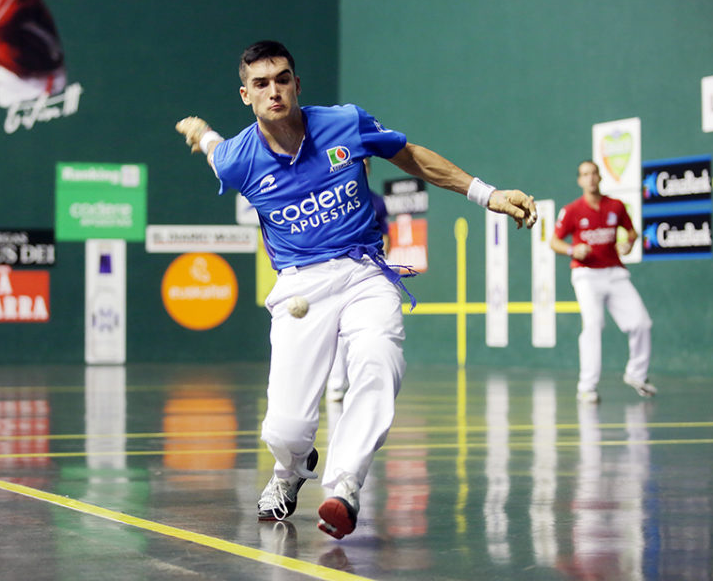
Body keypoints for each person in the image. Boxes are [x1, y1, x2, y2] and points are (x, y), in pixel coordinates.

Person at [176, 40, 537, 539]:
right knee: (283, 430)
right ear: (246, 95)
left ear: (297, 84)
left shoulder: (345, 122)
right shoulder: (238, 158)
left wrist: (487, 193)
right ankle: (290, 470)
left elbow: (409, 155)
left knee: (378, 360)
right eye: (261, 84)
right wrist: (205, 134)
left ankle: (344, 487)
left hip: (365, 269)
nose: (274, 90)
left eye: (282, 79)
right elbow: (217, 157)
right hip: (300, 285)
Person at [550, 160, 655, 404]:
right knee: (594, 324)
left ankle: (637, 374)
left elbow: (632, 233)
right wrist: (572, 250)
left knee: (641, 323)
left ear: (600, 177)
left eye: (594, 173)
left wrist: (628, 243)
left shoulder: (616, 206)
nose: (590, 178)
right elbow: (554, 242)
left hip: (615, 273)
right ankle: (587, 387)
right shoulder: (572, 210)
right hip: (586, 275)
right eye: (585, 174)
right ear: (580, 180)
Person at [325, 159, 389, 404]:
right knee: (336, 331)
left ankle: (362, 384)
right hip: (333, 269)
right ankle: (336, 385)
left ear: (369, 169)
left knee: (367, 331)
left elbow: (385, 236)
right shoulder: (332, 196)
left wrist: (382, 267)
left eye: (365, 163)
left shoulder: (377, 202)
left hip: (368, 271)